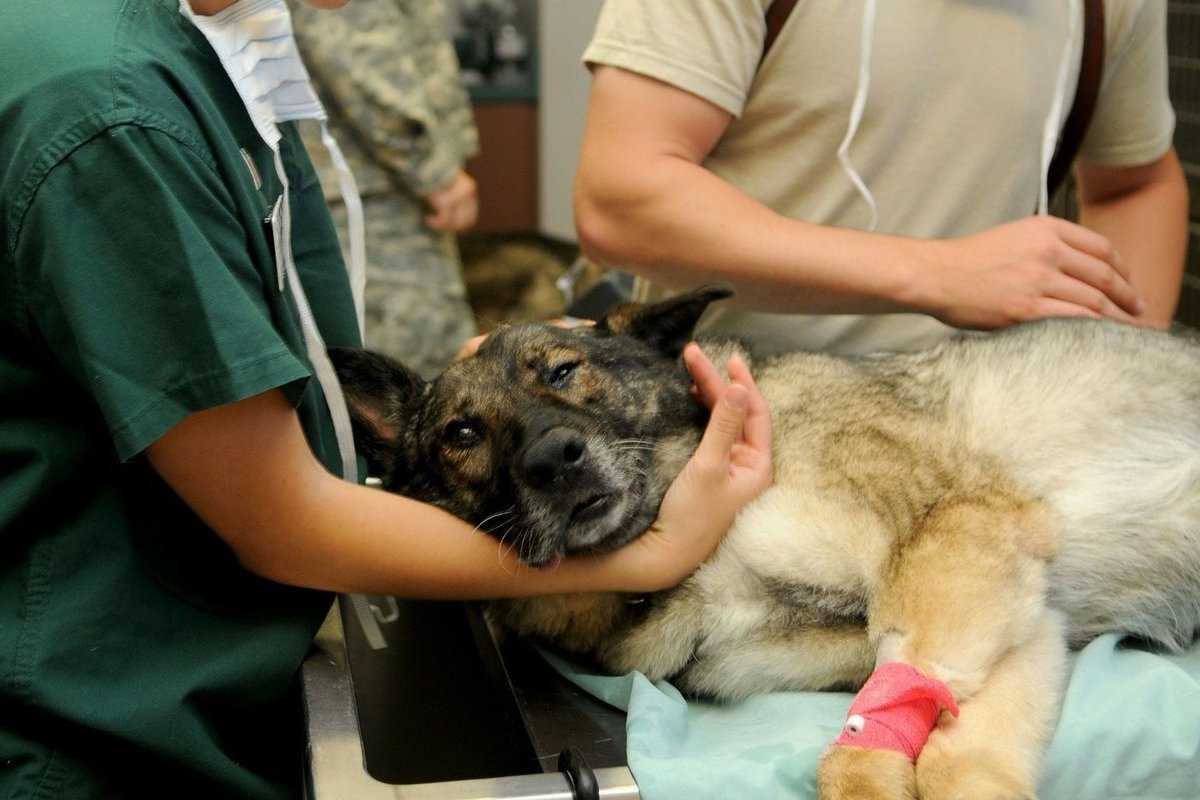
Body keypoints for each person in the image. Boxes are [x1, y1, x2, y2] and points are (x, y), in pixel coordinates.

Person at [0, 1, 772, 798]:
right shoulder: (114, 115)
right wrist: (659, 552)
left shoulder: (213, 47)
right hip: (100, 734)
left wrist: (512, 380)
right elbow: (280, 521)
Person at [574, 0, 1190, 357]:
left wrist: (1118, 374)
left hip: (998, 439)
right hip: (738, 434)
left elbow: (1136, 182)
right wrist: (939, 273)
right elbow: (622, 198)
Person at [289, 0, 482, 379]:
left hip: (376, 186)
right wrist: (434, 170)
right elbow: (354, 48)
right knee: (409, 381)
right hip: (371, 194)